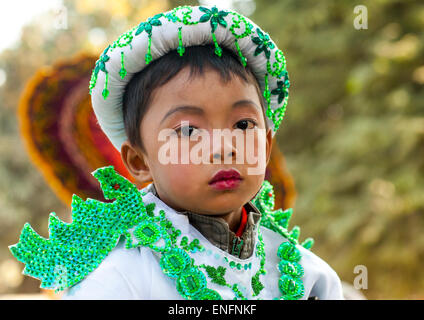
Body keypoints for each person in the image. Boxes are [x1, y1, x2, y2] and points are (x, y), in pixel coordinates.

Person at [9, 5, 344, 300]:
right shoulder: (120, 278)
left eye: (243, 125)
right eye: (188, 130)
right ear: (139, 162)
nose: (224, 148)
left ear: (267, 146)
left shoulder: (305, 275)